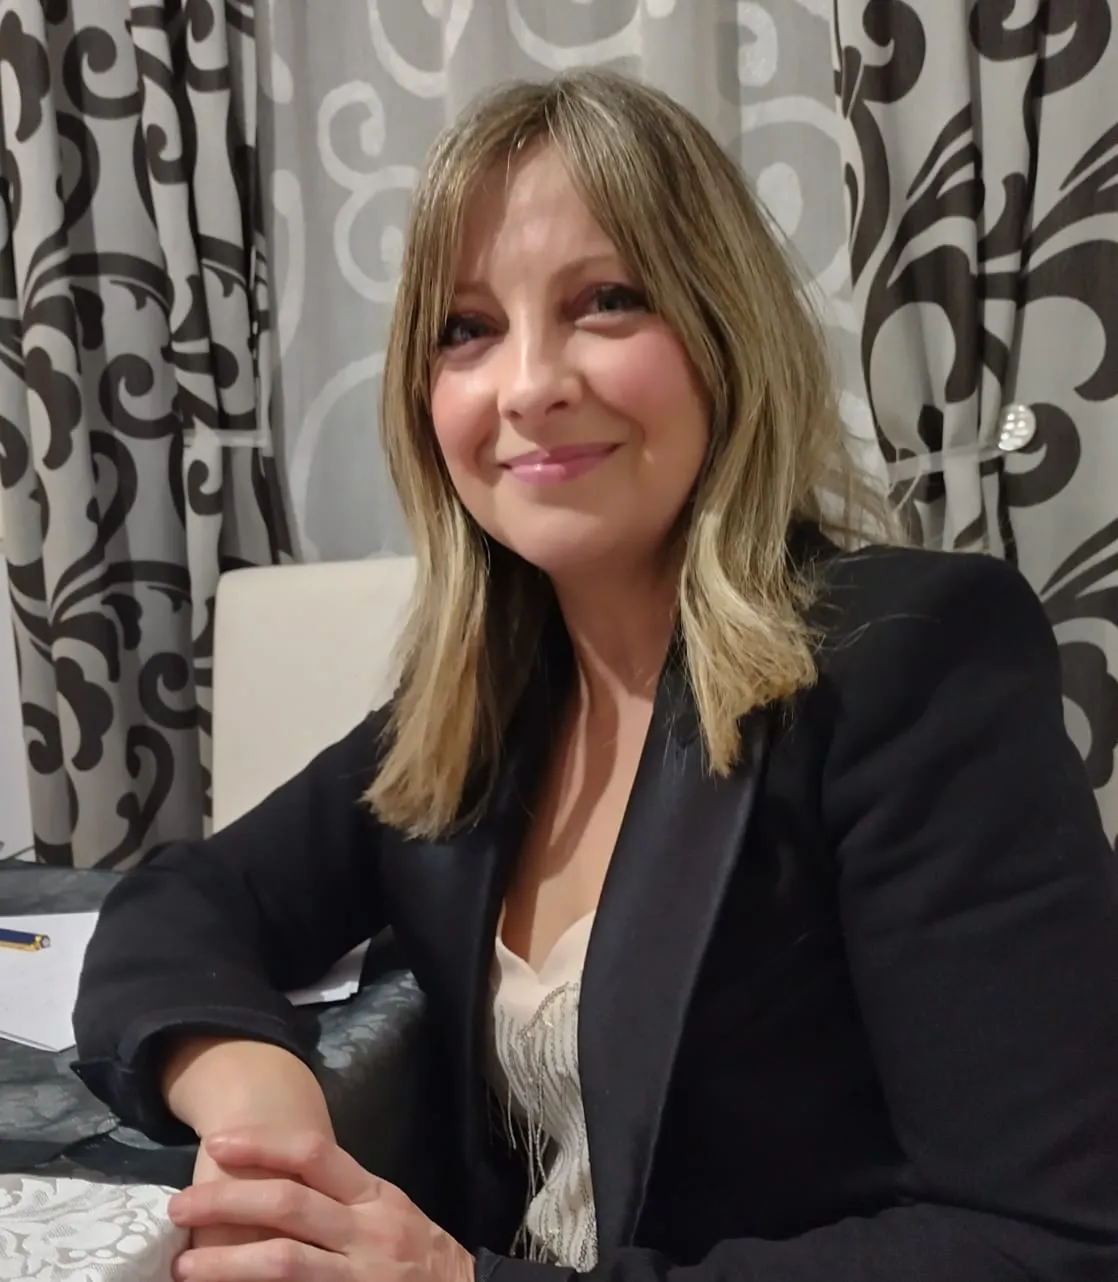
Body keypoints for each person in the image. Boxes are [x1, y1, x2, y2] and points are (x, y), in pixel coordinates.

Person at [73, 69, 1118, 1282]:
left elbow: (1044, 1240)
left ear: (723, 332)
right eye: (466, 329)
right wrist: (264, 1105)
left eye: (606, 301)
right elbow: (182, 903)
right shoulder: (480, 710)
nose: (528, 386)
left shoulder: (910, 662)